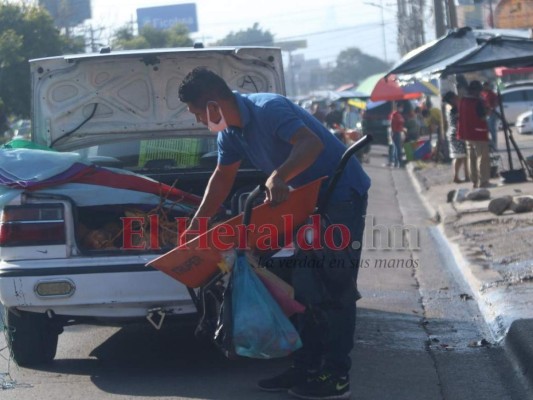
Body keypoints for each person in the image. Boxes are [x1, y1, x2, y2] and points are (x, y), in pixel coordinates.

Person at [178, 67, 370, 400]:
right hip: (305, 204)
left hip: (340, 197)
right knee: (302, 288)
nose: (198, 121)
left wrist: (279, 176)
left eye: (198, 113)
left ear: (212, 105)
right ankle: (307, 366)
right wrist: (197, 223)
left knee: (333, 287)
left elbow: (308, 144)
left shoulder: (269, 108)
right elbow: (221, 179)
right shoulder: (230, 134)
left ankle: (337, 375)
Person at [457, 80, 493, 189]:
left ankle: (474, 181)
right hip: (479, 133)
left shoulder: (463, 101)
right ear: (476, 91)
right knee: (482, 157)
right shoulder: (478, 102)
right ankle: (483, 181)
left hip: (467, 134)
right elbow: (482, 116)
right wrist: (489, 111)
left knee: (471, 158)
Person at [443, 91, 469, 183]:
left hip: (452, 133)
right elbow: (459, 121)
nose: (457, 98)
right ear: (451, 99)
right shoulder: (454, 109)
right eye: (455, 97)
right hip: (457, 133)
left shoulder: (448, 108)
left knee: (459, 156)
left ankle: (460, 176)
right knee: (462, 156)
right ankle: (464, 176)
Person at [481, 81, 499, 151]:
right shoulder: (483, 93)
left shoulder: (492, 94)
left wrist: (491, 109)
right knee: (486, 130)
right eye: (484, 86)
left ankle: (494, 145)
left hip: (492, 114)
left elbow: (495, 103)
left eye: (486, 85)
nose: (485, 87)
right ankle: (489, 145)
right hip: (486, 114)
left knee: (492, 130)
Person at [389, 102, 405, 168]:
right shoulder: (396, 115)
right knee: (398, 149)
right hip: (396, 133)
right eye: (400, 107)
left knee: (396, 148)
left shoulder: (397, 115)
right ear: (398, 107)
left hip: (396, 133)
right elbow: (398, 123)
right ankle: (399, 162)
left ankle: (396, 162)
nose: (401, 109)